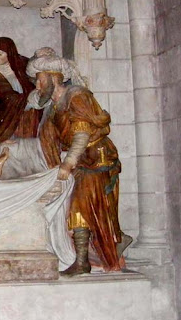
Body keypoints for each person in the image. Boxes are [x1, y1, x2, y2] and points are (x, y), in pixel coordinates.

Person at [26, 53, 130, 275]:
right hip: (82, 162)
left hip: (96, 159)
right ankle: (102, 248)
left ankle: (83, 261)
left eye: (40, 79)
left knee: (80, 206)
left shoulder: (76, 96)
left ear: (54, 77)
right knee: (81, 209)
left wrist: (68, 163)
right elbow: (49, 141)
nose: (37, 85)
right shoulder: (53, 107)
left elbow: (82, 132)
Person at [0, 37, 40, 144]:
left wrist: (39, 55)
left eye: (0, 53)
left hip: (27, 112)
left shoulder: (21, 64)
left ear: (9, 53)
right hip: (5, 113)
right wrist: (29, 100)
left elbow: (34, 68)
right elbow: (5, 96)